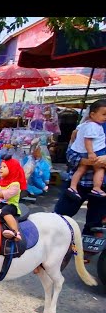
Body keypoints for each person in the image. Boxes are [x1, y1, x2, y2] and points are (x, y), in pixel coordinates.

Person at [55, 100, 106, 236]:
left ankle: (87, 252)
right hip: (78, 183)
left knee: (95, 224)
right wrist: (87, 161)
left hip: (102, 186)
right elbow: (70, 154)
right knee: (60, 217)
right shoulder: (84, 127)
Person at [66, 100, 106, 200]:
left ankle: (73, 187)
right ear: (92, 114)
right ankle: (97, 188)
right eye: (104, 115)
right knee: (99, 168)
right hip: (93, 155)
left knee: (82, 168)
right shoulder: (94, 125)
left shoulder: (86, 124)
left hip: (85, 155)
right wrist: (90, 155)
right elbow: (83, 140)